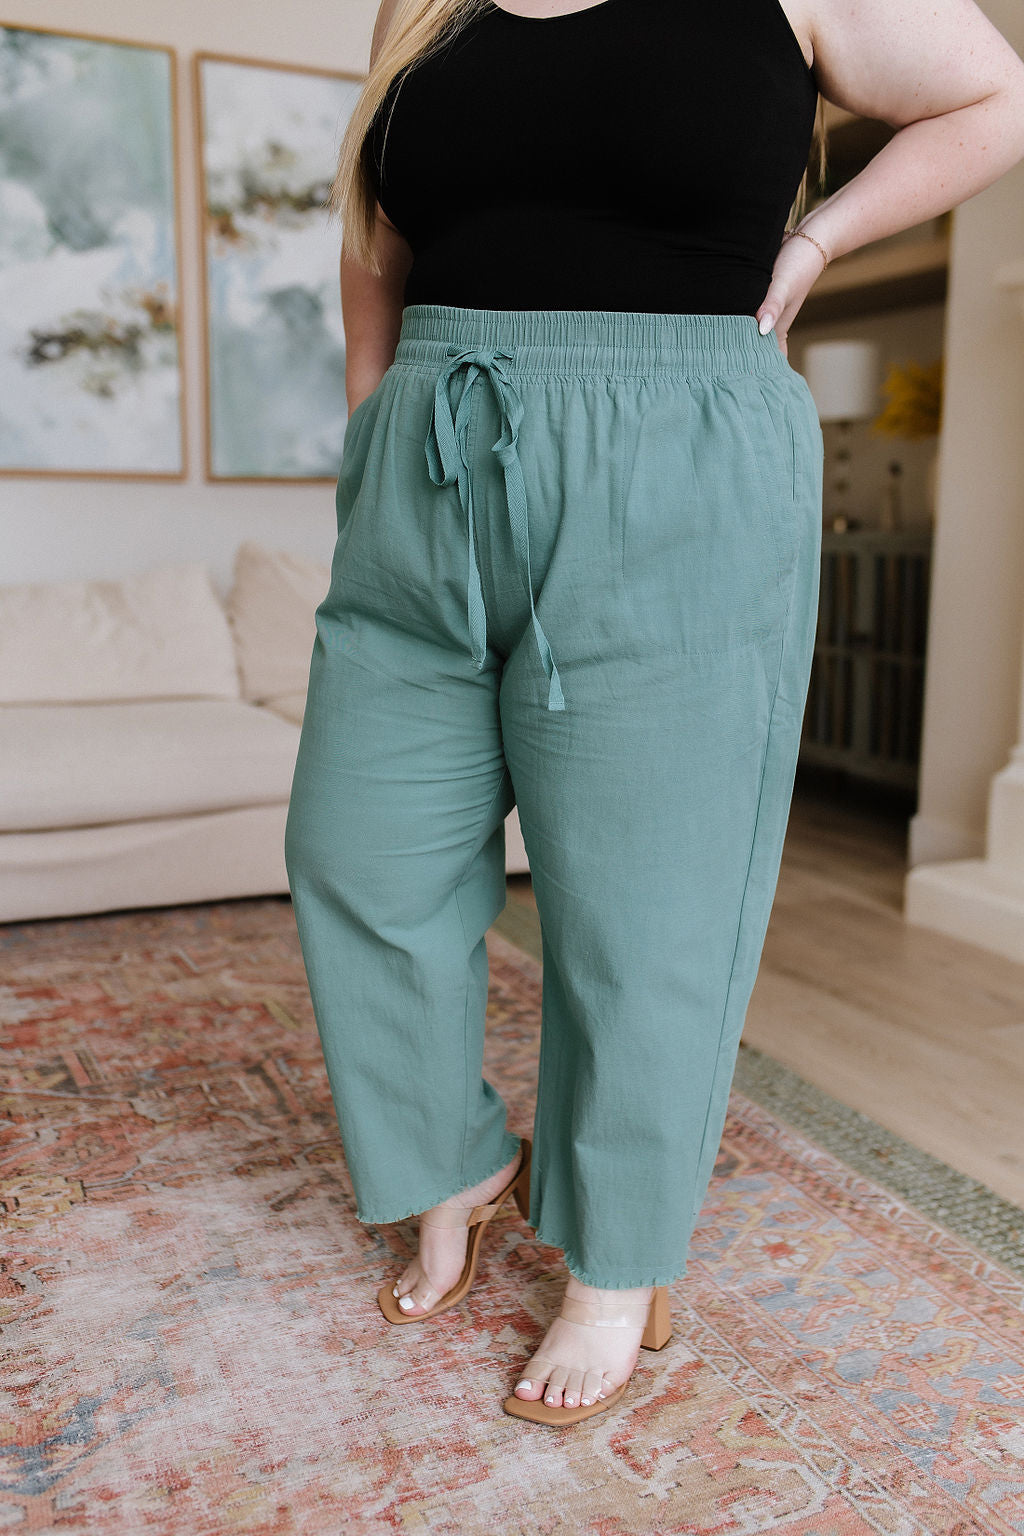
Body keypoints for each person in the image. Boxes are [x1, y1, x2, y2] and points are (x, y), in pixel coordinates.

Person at [285, 0, 1024, 1427]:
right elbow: (378, 233)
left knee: (645, 902)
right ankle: (454, 1164)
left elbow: (997, 96)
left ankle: (619, 1262)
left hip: (673, 452)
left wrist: (819, 240)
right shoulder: (420, 1)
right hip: (428, 457)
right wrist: (372, 423)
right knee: (357, 848)